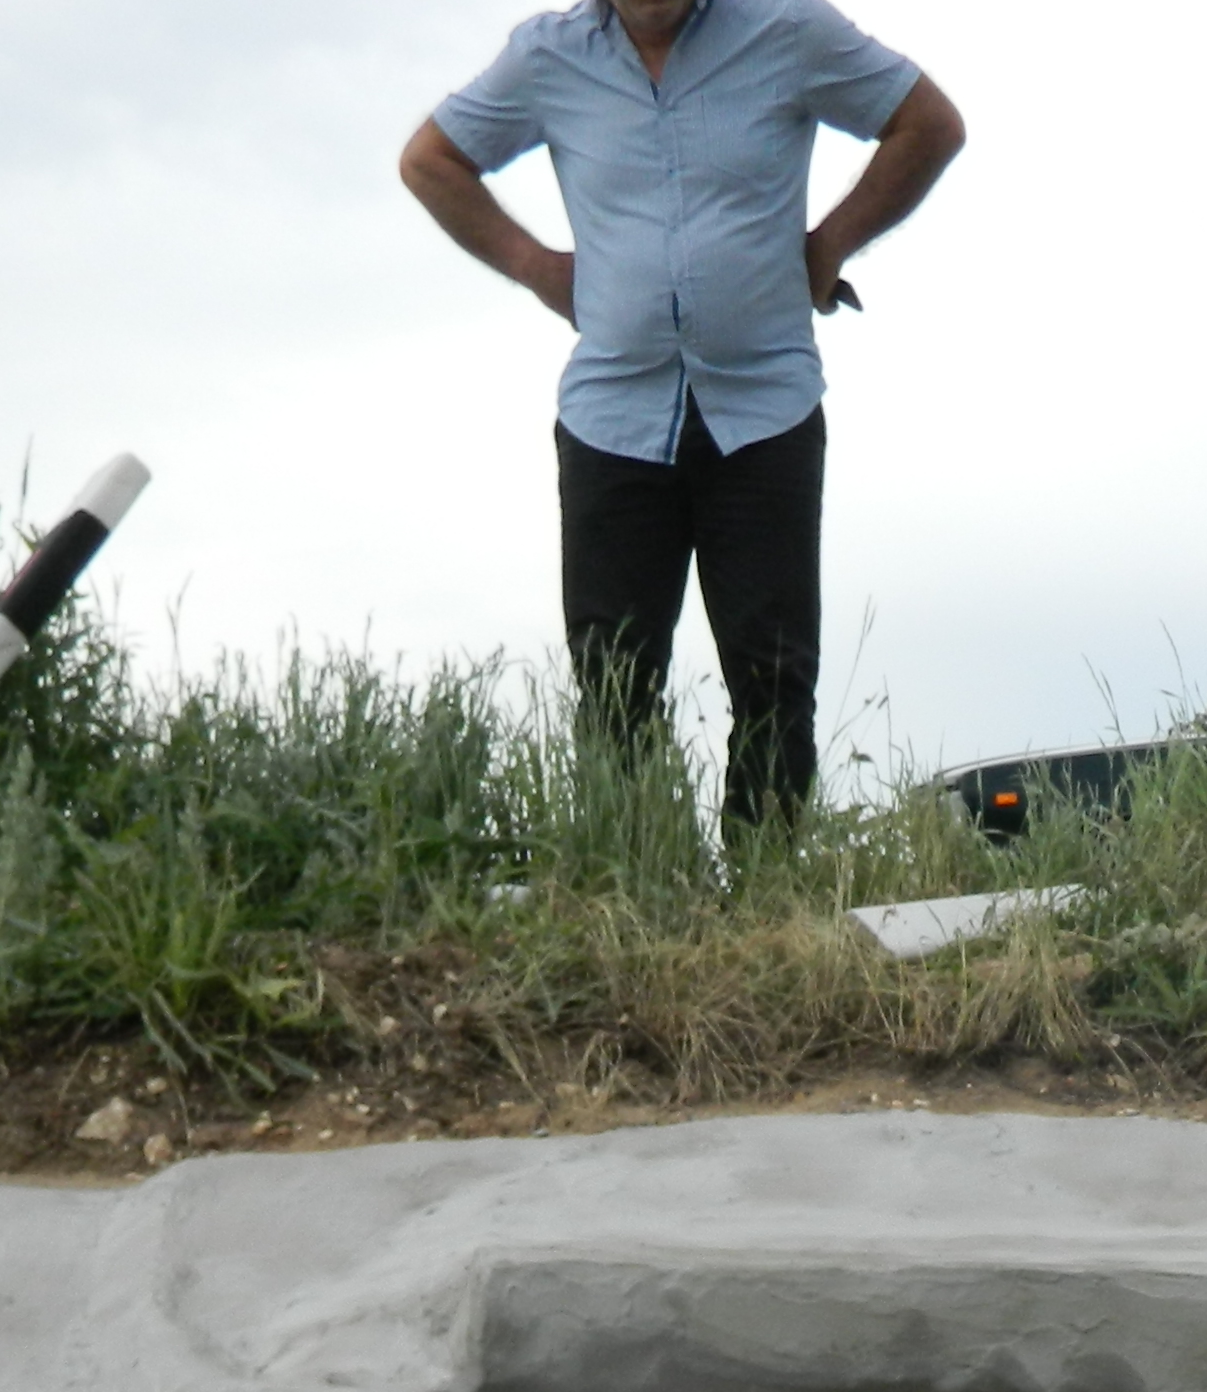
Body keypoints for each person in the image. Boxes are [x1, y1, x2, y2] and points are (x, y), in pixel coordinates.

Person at [402, 0, 965, 831]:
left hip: (764, 407)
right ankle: (636, 884)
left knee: (774, 674)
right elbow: (432, 159)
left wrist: (829, 246)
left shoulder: (788, 30)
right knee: (614, 679)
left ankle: (762, 890)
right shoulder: (549, 56)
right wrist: (534, 267)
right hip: (613, 415)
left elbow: (928, 124)